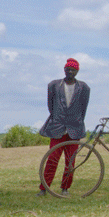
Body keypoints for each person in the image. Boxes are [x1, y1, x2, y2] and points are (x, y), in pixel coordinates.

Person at [38, 58, 90, 196]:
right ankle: (44, 188)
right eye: (68, 69)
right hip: (57, 129)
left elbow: (83, 109)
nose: (70, 72)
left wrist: (76, 121)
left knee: (70, 162)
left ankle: (65, 188)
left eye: (73, 70)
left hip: (74, 129)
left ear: (77, 71)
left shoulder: (84, 88)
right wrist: (59, 118)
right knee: (52, 159)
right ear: (64, 70)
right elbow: (51, 106)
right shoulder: (54, 85)